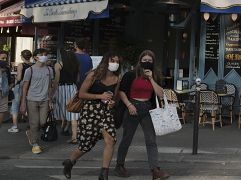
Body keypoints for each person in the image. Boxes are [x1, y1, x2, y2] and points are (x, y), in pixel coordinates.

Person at [62, 52, 121, 180]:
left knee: (111, 140)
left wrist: (112, 103)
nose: (115, 64)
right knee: (86, 145)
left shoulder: (117, 78)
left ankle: (103, 174)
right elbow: (82, 94)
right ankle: (70, 162)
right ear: (106, 62)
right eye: (112, 60)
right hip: (90, 111)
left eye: (117, 61)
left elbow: (114, 97)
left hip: (105, 112)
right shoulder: (93, 75)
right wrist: (100, 96)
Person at [114, 50, 169, 180]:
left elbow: (161, 94)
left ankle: (155, 170)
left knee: (151, 140)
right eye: (144, 60)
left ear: (153, 62)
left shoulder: (155, 76)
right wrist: (129, 105)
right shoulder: (131, 74)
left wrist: (151, 78)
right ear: (140, 61)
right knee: (127, 138)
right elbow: (122, 92)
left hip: (147, 109)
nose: (147, 63)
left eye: (150, 61)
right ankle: (119, 165)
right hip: (132, 106)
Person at [20, 49, 54, 154]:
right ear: (35, 57)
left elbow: (50, 86)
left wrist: (50, 100)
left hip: (45, 100)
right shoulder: (29, 70)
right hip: (32, 99)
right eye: (41, 55)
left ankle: (30, 132)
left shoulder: (49, 70)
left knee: (43, 122)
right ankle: (35, 144)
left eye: (45, 55)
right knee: (34, 123)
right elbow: (25, 87)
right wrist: (23, 103)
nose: (44, 56)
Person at [53, 49, 80, 143]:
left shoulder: (58, 65)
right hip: (72, 88)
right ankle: (74, 136)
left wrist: (52, 92)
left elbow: (56, 80)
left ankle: (64, 128)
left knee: (62, 110)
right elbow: (77, 79)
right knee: (73, 112)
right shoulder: (76, 65)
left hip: (61, 89)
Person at [8, 50, 33, 133]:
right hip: (30, 86)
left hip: (20, 86)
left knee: (15, 105)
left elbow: (19, 78)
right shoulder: (33, 65)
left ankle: (15, 126)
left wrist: (15, 76)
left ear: (22, 57)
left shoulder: (21, 65)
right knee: (29, 105)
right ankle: (30, 125)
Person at [0, 50, 11, 127]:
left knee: (2, 110)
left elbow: (10, 81)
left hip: (4, 92)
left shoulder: (7, 69)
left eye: (5, 58)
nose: (4, 60)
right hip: (4, 91)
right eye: (3, 58)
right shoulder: (7, 68)